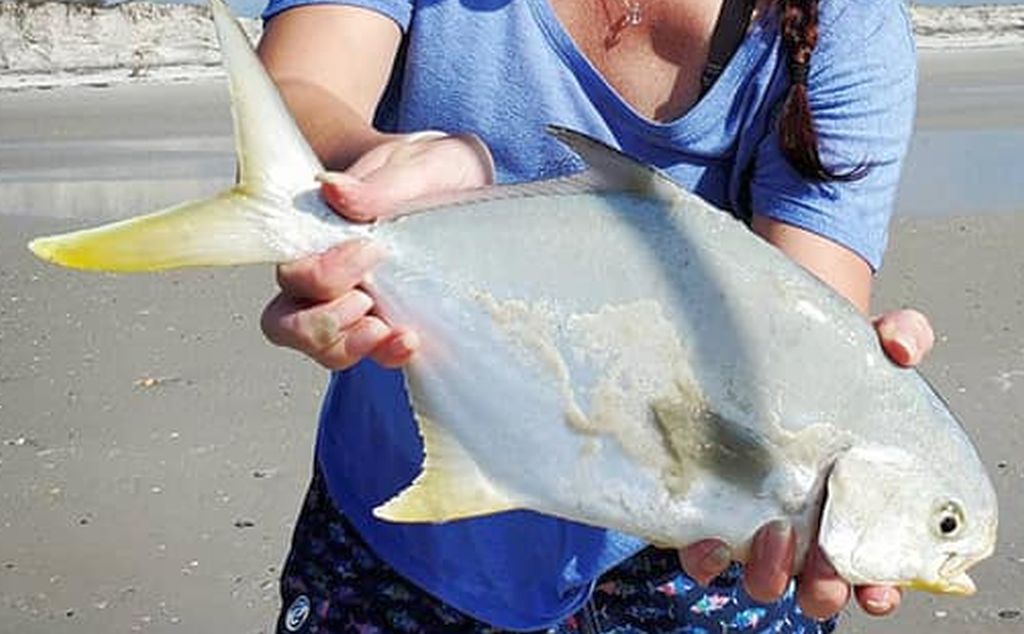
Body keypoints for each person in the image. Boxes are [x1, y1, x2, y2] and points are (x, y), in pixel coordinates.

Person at [256, 0, 932, 631]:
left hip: (689, 567)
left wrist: (846, 408)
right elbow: (301, 88)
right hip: (404, 528)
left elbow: (798, 342)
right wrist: (360, 178)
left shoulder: (848, 24)